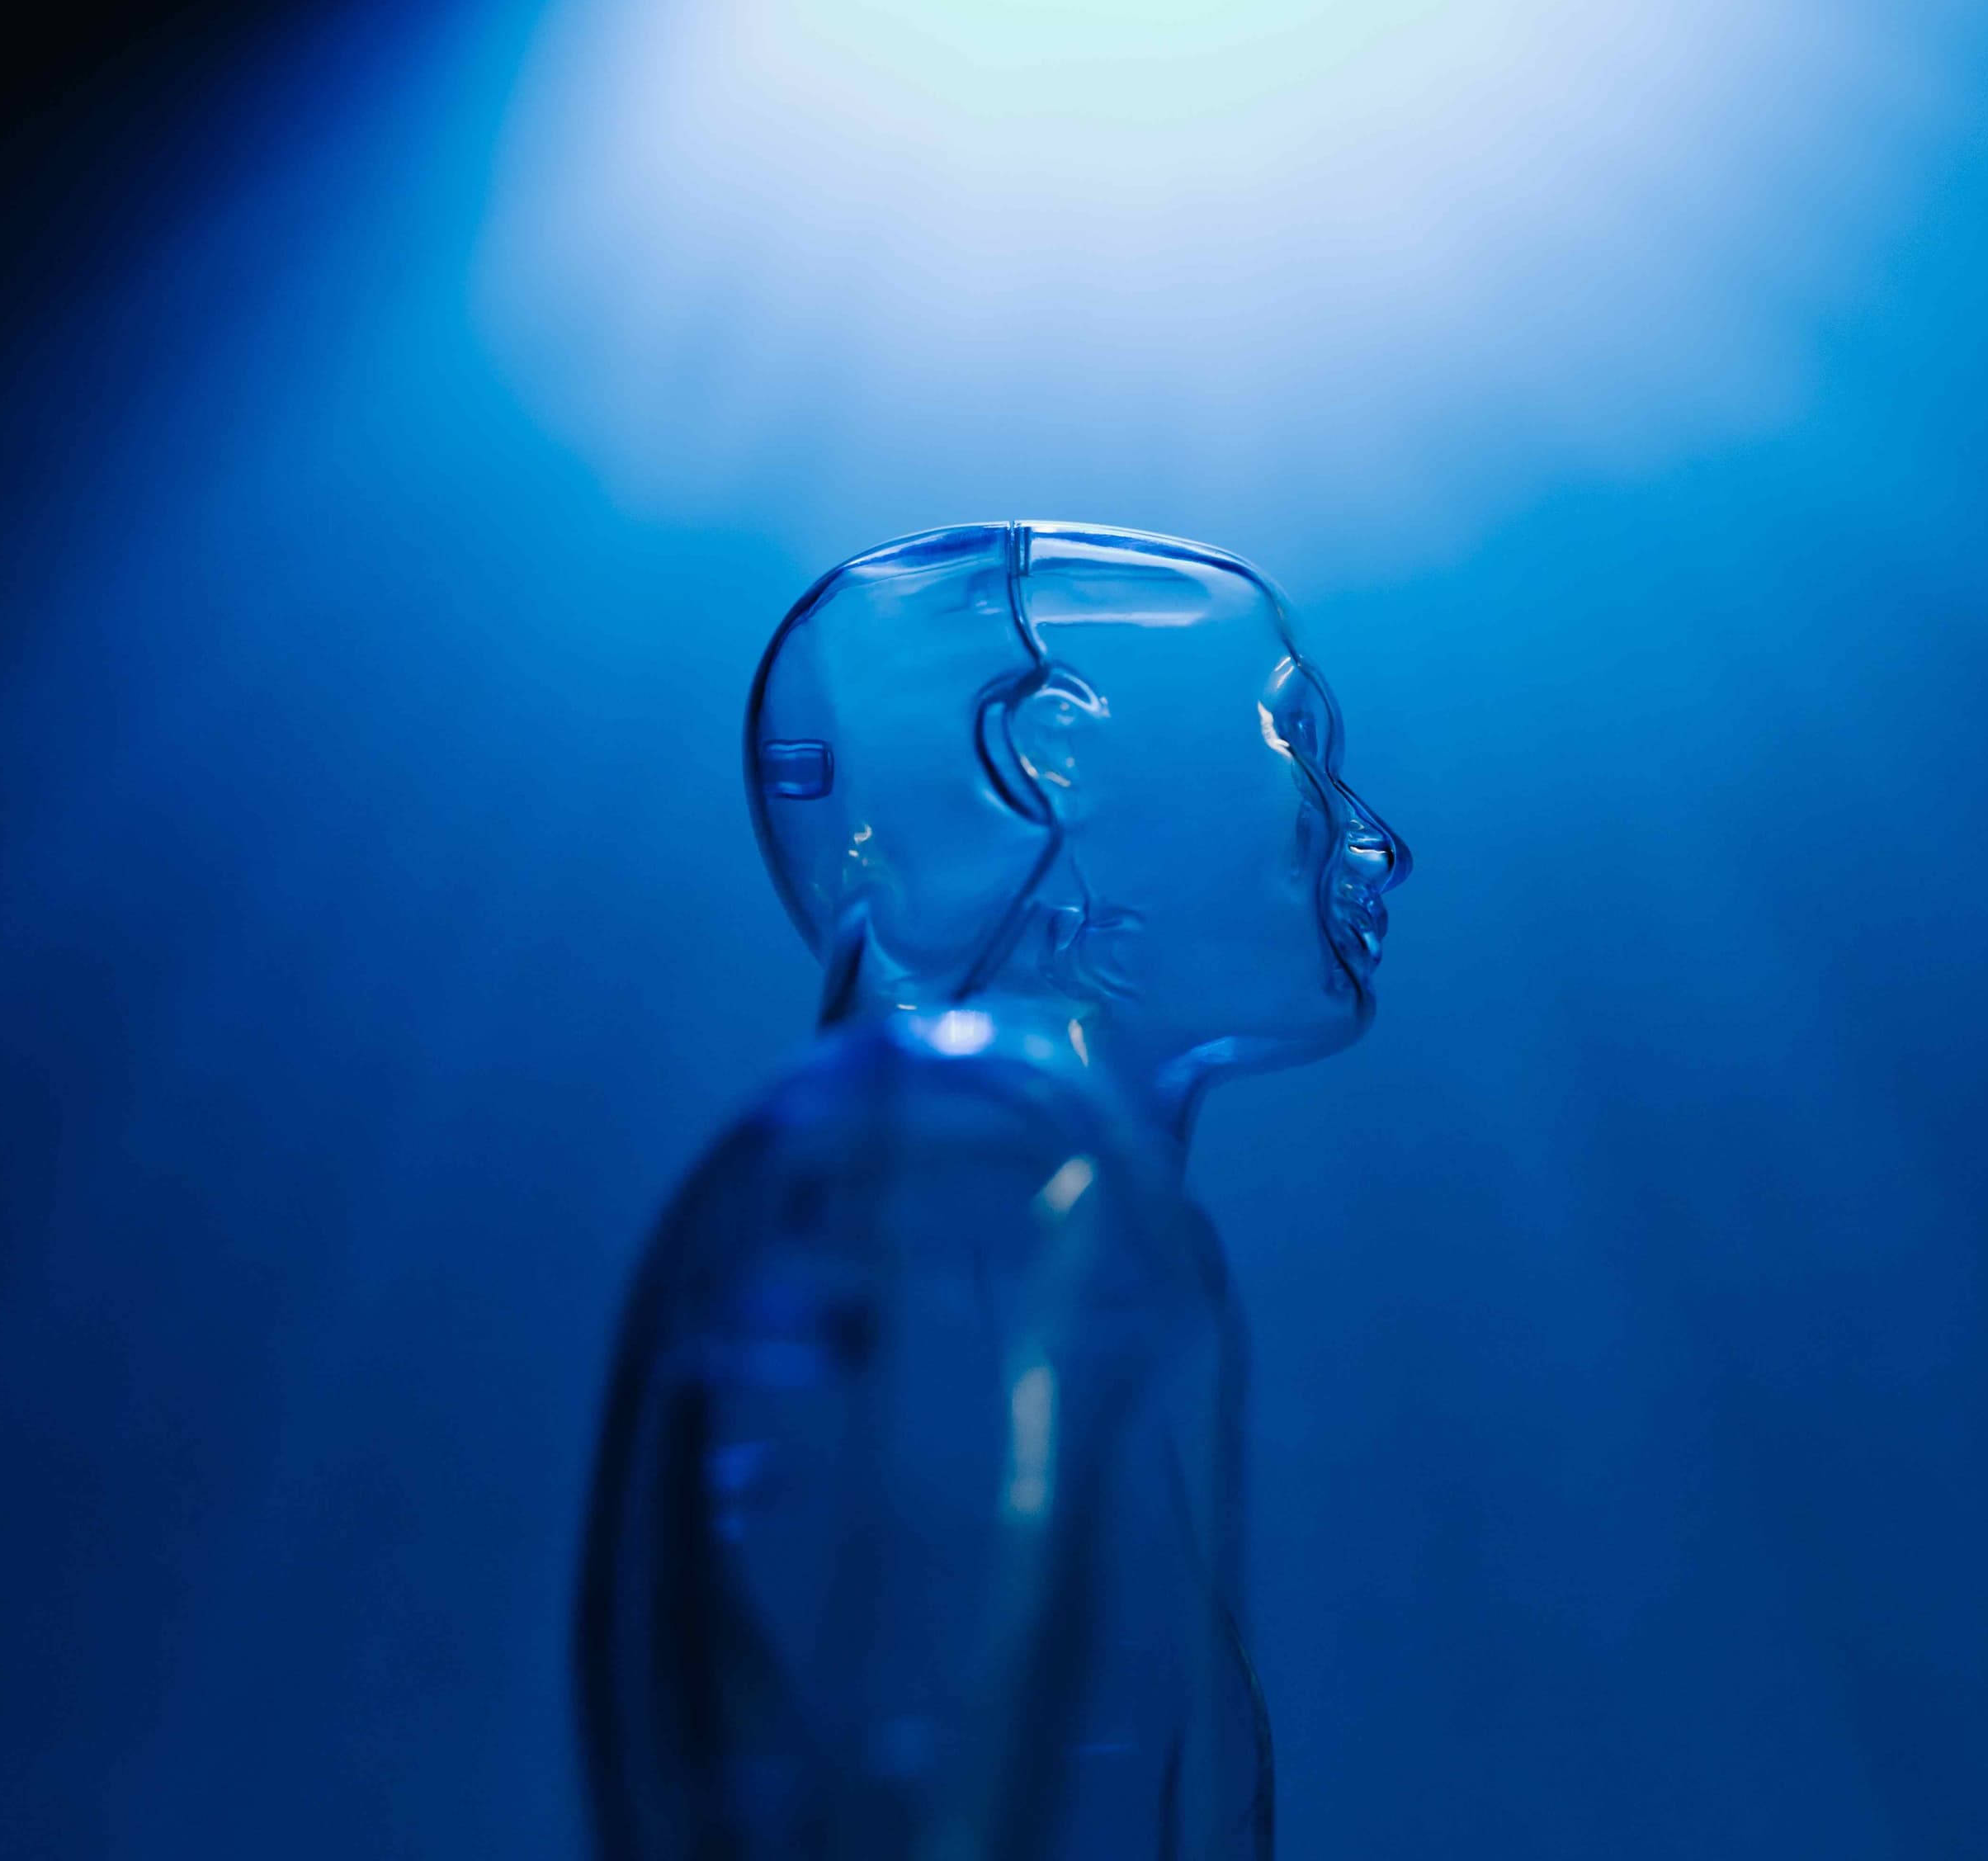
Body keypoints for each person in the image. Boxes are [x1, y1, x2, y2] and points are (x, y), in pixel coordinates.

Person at [577, 524, 1410, 1861]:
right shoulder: (974, 1174)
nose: (1374, 843)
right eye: (1298, 743)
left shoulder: (953, 1177)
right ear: (1042, 760)